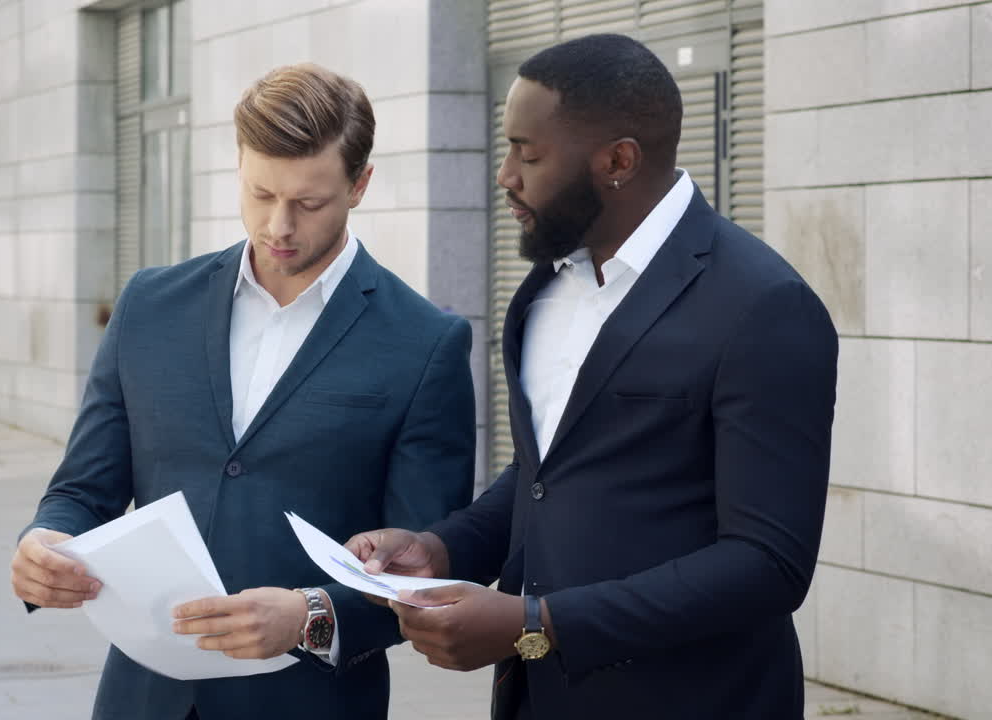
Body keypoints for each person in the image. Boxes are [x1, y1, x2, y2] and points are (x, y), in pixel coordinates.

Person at [346, 33, 838, 719]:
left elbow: (767, 564)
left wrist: (536, 623)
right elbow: (545, 474)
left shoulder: (763, 307)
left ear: (617, 161)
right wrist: (443, 546)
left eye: (528, 151)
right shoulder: (547, 289)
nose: (505, 175)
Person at [9, 63, 475, 720]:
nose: (279, 226)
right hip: (142, 700)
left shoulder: (426, 344)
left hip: (308, 702)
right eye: (260, 194)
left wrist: (311, 618)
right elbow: (83, 490)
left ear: (360, 184)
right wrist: (46, 541)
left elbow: (420, 570)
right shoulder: (150, 305)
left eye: (308, 203)